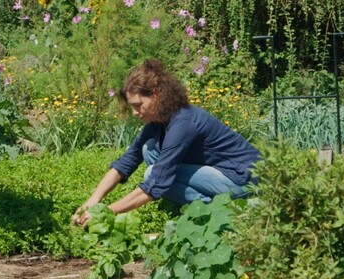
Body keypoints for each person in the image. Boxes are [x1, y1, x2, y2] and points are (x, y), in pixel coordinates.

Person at [72, 59, 262, 226]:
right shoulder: (160, 121)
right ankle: (207, 208)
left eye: (138, 105)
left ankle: (215, 212)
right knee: (149, 149)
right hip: (220, 173)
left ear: (155, 95)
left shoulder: (183, 123)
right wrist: (94, 200)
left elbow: (157, 182)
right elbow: (126, 162)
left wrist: (105, 212)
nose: (135, 113)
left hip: (244, 179)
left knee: (151, 174)